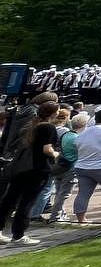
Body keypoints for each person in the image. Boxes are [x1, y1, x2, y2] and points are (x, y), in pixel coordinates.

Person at [0, 100, 60, 246]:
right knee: (27, 202)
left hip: (21, 167)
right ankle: (18, 235)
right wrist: (56, 154)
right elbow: (47, 149)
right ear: (53, 113)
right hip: (37, 169)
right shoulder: (48, 128)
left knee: (9, 200)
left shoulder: (30, 126)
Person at [47, 111, 87, 221]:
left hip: (61, 165)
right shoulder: (77, 138)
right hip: (71, 167)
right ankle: (55, 216)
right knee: (64, 194)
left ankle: (60, 214)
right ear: (84, 125)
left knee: (59, 192)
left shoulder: (66, 134)